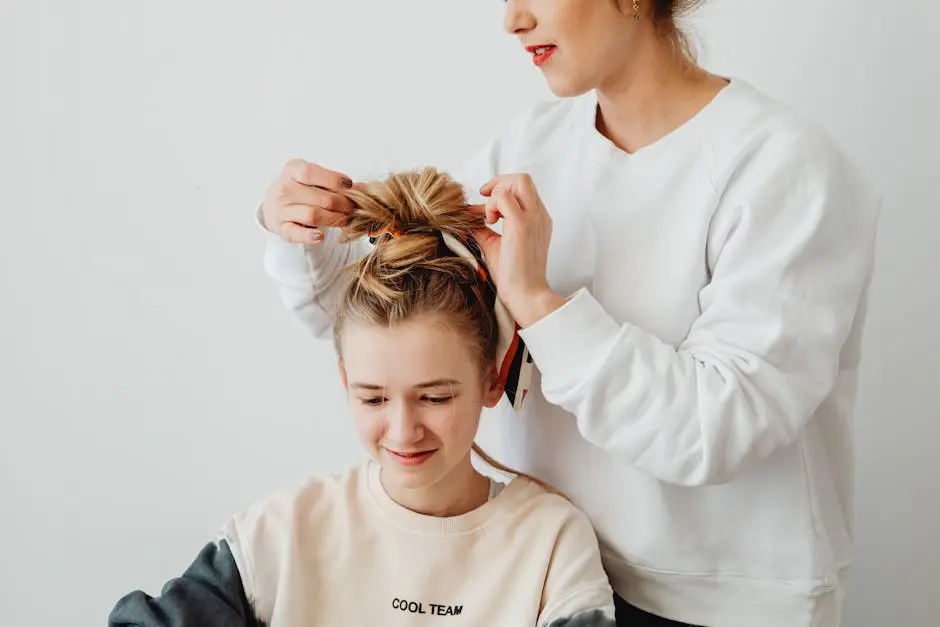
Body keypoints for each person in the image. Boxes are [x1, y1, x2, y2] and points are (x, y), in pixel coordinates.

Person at [256, 2, 881, 626]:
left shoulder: (783, 167)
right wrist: (299, 234)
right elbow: (395, 331)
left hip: (718, 603)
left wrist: (537, 302)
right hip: (553, 579)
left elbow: (717, 429)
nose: (513, 20)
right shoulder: (533, 146)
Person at [108, 169, 617, 627]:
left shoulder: (550, 544)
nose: (402, 431)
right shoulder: (283, 534)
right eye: (373, 399)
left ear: (490, 379)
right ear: (344, 378)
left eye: (435, 397)